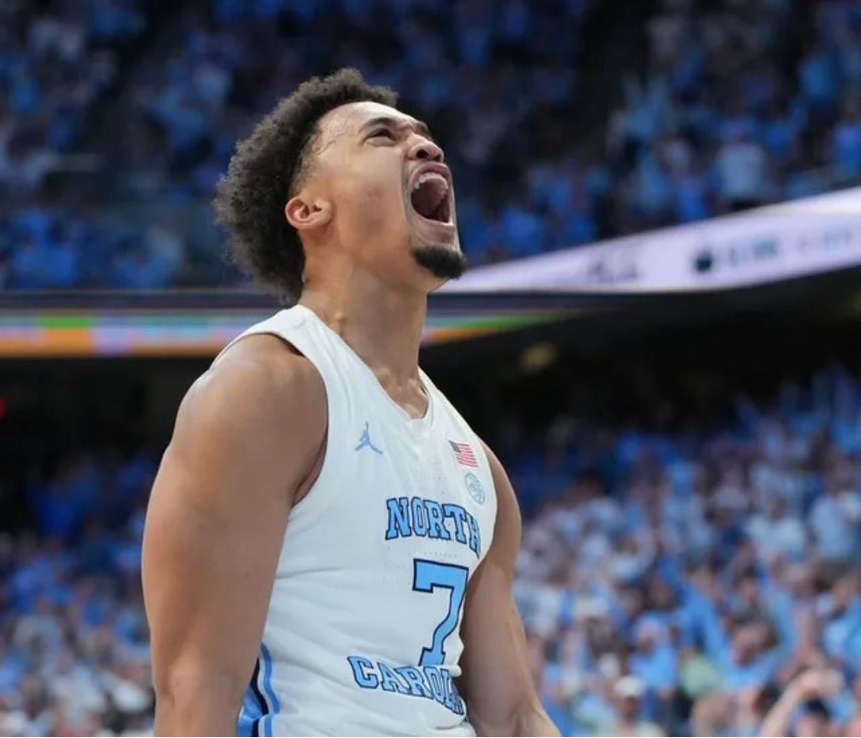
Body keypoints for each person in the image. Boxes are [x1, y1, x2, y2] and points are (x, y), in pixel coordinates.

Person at [141, 68, 558, 736]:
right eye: (382, 137)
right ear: (309, 208)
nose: (426, 148)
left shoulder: (479, 468)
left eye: (426, 137)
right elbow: (196, 697)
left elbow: (513, 717)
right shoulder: (267, 389)